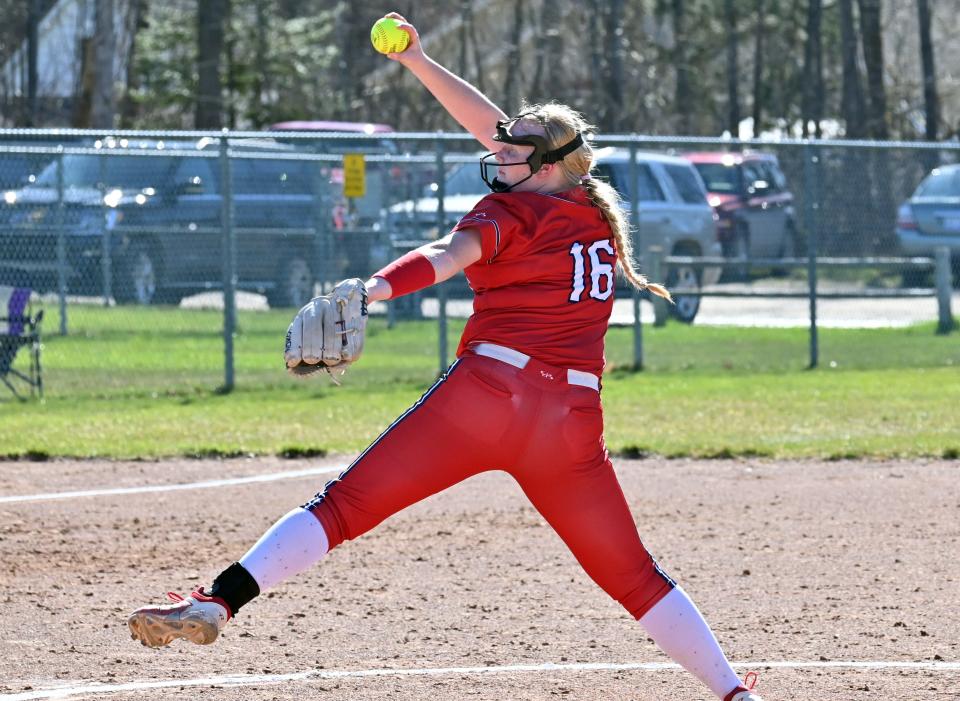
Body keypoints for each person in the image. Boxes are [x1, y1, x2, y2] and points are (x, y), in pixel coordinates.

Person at [128, 13, 763, 701]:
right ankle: (735, 692)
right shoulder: (589, 208)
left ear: (544, 165)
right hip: (570, 422)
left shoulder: (508, 212)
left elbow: (442, 256)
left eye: (515, 150)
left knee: (342, 508)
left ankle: (217, 602)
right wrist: (421, 62)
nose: (498, 154)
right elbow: (499, 129)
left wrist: (372, 288)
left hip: (485, 398)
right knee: (634, 575)